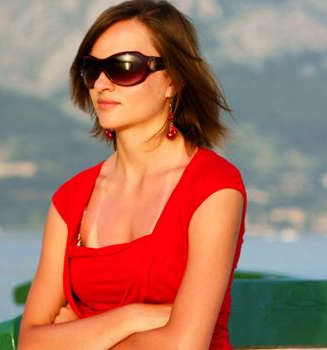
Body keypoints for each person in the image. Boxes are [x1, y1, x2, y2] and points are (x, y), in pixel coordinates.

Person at [18, 1, 246, 349]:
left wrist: (80, 332)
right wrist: (135, 316)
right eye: (91, 68)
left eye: (125, 67)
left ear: (173, 81)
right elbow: (31, 341)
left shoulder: (213, 188)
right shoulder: (70, 200)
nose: (102, 84)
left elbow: (184, 345)